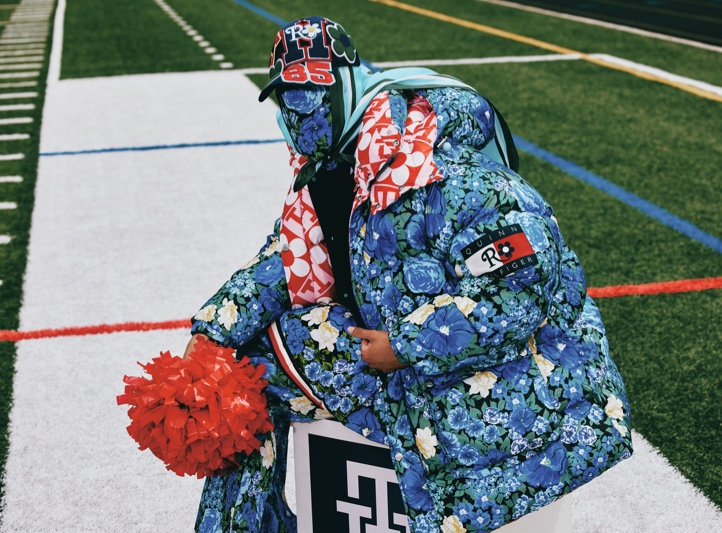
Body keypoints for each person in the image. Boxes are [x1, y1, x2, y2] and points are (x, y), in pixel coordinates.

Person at [187, 16, 633, 533]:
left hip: (509, 377)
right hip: (401, 357)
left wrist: (405, 346)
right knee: (239, 369)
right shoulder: (332, 171)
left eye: (310, 93)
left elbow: (521, 289)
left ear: (347, 84)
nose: (298, 112)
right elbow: (286, 260)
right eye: (286, 97)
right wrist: (212, 331)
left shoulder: (441, 166)